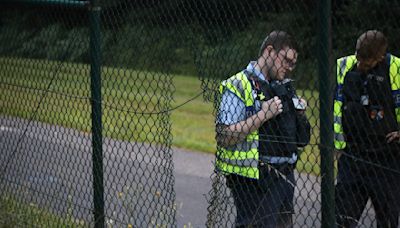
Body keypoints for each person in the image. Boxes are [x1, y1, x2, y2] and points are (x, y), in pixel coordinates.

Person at [215, 30, 310, 227]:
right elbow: (224, 135)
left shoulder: (283, 87)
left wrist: (299, 114)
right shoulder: (238, 84)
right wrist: (263, 115)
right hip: (252, 176)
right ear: (269, 51)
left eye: (293, 63)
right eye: (286, 60)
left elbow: (300, 140)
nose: (290, 67)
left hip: (285, 173)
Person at [333, 30, 400, 227]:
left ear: (380, 57)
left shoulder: (395, 68)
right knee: (342, 220)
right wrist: (337, 144)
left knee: (387, 221)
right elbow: (335, 107)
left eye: (367, 62)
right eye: (359, 58)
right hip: (353, 155)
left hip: (387, 158)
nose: (361, 65)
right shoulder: (344, 66)